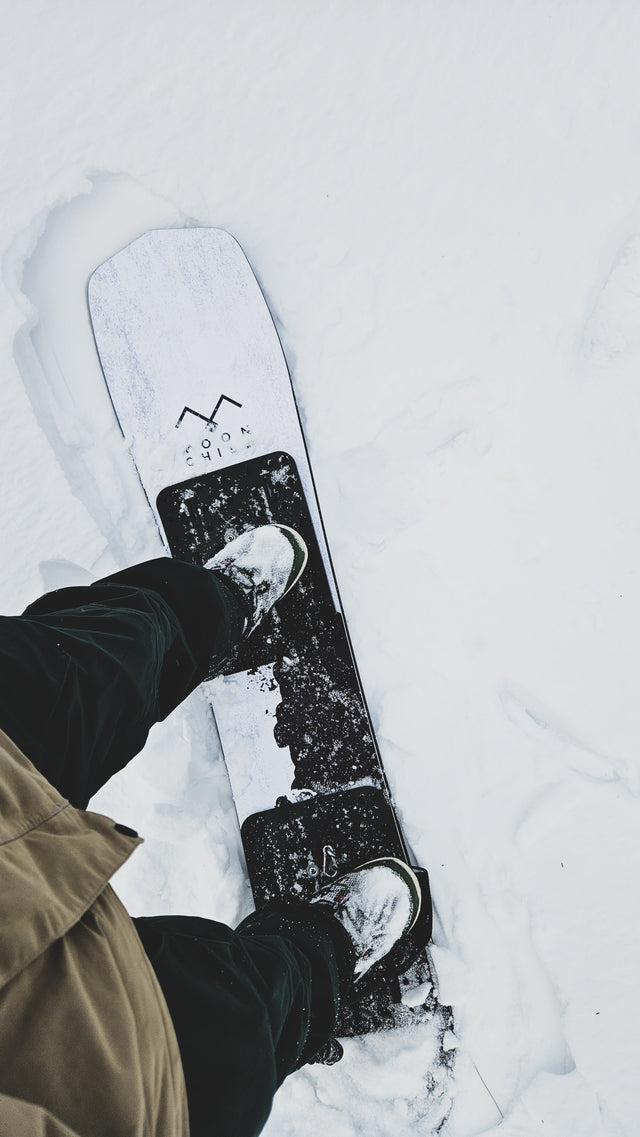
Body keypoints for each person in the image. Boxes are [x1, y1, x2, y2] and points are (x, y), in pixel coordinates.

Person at [0, 524, 421, 1137]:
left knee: (81, 669)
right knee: (227, 1024)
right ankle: (323, 949)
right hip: (53, 1076)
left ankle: (215, 606)